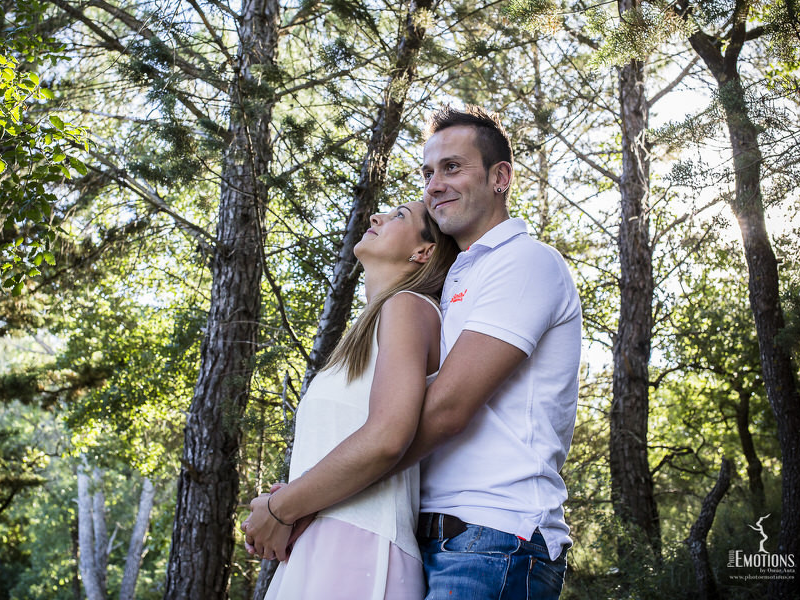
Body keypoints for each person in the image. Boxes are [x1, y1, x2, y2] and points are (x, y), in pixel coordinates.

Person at [400, 105, 583, 599]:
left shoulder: (525, 261)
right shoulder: (453, 276)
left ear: (500, 177)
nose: (434, 185)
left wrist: (329, 488)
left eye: (452, 167)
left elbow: (449, 409)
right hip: (427, 538)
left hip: (495, 539)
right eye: (428, 173)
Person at [242, 200, 459, 600]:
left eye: (398, 216)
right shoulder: (370, 327)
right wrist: (290, 503)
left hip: (360, 549)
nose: (376, 217)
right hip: (324, 547)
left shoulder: (408, 307)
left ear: (423, 251)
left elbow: (388, 437)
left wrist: (281, 509)